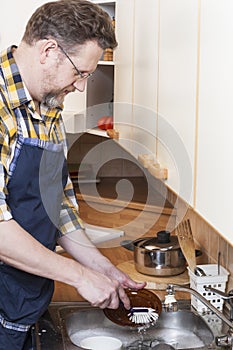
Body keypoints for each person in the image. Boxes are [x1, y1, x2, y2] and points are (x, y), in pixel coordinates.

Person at [0, 1, 146, 348]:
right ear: (49, 50)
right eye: (80, 73)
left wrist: (102, 268)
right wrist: (79, 276)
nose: (81, 87)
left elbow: (58, 206)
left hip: (25, 296)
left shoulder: (48, 104)